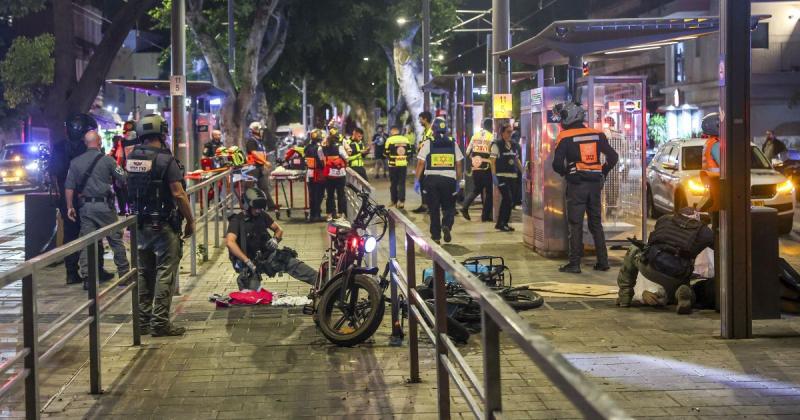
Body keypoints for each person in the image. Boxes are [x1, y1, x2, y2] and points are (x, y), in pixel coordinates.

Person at [125, 114, 195, 337]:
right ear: (162, 133)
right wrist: (191, 220)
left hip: (139, 224)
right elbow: (179, 194)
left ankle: (143, 322)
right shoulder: (166, 160)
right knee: (165, 273)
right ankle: (160, 323)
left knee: (144, 273)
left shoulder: (132, 157)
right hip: (163, 226)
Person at [551, 102, 618, 274]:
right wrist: (603, 170)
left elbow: (557, 164)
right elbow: (613, 156)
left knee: (576, 224)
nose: (561, 121)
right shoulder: (597, 134)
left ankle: (574, 264)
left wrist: (567, 172)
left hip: (576, 185)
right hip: (595, 184)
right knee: (596, 222)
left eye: (563, 116)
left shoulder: (565, 137)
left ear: (570, 117)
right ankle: (603, 262)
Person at [50, 114, 111, 285]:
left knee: (70, 235)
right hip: (87, 197)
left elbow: (54, 173)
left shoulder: (59, 147)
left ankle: (71, 272)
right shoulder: (89, 148)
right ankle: (95, 271)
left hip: (66, 198)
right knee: (94, 234)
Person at [616, 207, 714, 314]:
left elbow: (654, 241)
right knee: (685, 286)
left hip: (651, 267)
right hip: (677, 274)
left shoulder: (665, 218)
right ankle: (684, 294)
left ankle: (624, 296)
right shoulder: (705, 232)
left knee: (634, 249)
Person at [65, 130, 130, 289]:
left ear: (86, 143)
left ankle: (88, 278)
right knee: (115, 240)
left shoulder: (75, 162)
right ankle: (124, 274)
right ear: (99, 142)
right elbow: (123, 176)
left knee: (88, 242)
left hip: (85, 207)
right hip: (105, 207)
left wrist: (69, 207)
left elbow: (69, 187)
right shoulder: (108, 161)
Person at [226, 187, 318, 290]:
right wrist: (247, 261)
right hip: (249, 262)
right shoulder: (237, 221)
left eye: (260, 208)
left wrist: (275, 239)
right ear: (247, 206)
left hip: (267, 256)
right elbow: (230, 242)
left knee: (291, 263)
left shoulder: (262, 215)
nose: (258, 210)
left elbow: (279, 229)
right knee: (250, 294)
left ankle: (324, 284)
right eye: (255, 207)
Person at [415, 118, 464, 244]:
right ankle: (446, 225)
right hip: (449, 181)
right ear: (445, 129)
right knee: (449, 207)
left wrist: (417, 180)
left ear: (433, 129)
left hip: (431, 180)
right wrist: (458, 181)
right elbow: (459, 163)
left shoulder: (428, 142)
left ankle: (436, 236)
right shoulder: (453, 143)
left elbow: (421, 163)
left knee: (434, 209)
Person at [491, 122, 523, 232]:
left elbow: (516, 159)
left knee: (510, 200)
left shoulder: (514, 145)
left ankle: (502, 223)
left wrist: (522, 171)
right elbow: (492, 161)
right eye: (508, 132)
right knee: (507, 198)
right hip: (501, 176)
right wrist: (494, 175)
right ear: (502, 133)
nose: (510, 134)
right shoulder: (497, 145)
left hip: (513, 176)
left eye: (511, 132)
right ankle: (502, 222)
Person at [461, 118, 494, 222]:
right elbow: (493, 154)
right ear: (491, 126)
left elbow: (467, 152)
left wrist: (475, 160)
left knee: (477, 189)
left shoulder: (475, 135)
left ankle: (465, 206)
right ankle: (485, 216)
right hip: (487, 167)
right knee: (489, 192)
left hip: (476, 167)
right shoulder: (491, 137)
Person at [245, 121, 277, 210]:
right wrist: (265, 162)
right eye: (261, 130)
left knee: (264, 187)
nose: (262, 132)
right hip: (252, 168)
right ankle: (247, 207)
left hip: (259, 167)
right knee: (249, 188)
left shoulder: (260, 142)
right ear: (255, 130)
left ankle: (271, 206)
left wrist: (264, 163)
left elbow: (261, 154)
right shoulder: (251, 141)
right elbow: (254, 153)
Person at [319, 134, 348, 219]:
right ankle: (341, 213)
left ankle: (330, 214)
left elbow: (321, 159)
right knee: (341, 194)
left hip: (329, 175)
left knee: (330, 195)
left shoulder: (322, 149)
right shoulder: (339, 147)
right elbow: (346, 157)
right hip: (340, 175)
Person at [412, 111, 435, 214]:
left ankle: (431, 206)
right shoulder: (425, 132)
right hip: (424, 161)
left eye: (420, 119)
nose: (419, 121)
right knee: (423, 184)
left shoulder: (432, 131)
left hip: (429, 163)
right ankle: (424, 205)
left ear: (425, 119)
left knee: (429, 185)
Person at [385, 126, 411, 208]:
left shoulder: (389, 140)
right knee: (402, 183)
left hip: (393, 165)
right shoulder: (406, 139)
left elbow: (386, 152)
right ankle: (401, 202)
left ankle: (393, 200)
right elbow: (410, 152)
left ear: (392, 131)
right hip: (403, 164)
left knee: (393, 183)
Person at [699, 113, 721, 212]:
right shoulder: (716, 144)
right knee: (717, 206)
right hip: (717, 180)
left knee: (714, 205)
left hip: (713, 180)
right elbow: (723, 163)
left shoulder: (710, 142)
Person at [304, 129, 326, 222]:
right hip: (318, 173)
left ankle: (313, 215)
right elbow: (321, 161)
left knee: (312, 195)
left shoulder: (307, 147)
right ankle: (317, 214)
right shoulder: (319, 148)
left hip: (310, 173)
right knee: (319, 194)